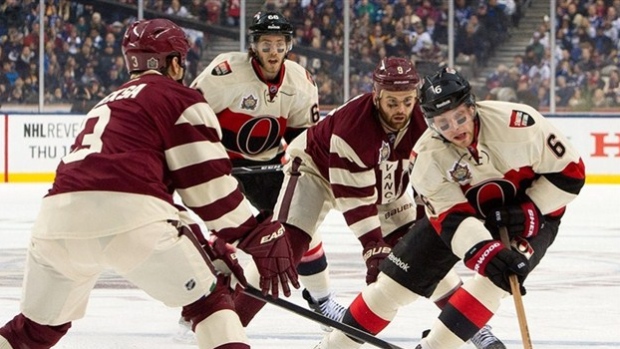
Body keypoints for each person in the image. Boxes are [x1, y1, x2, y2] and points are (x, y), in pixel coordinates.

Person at [0, 18, 299, 349]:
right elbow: (206, 185)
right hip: (131, 217)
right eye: (180, 61)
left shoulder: (106, 102)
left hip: (54, 222)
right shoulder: (177, 97)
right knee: (210, 304)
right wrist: (256, 232)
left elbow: (110, 180)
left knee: (31, 333)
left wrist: (200, 242)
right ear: (173, 62)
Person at [234, 57, 506, 348]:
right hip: (317, 171)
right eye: (391, 102)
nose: (400, 110)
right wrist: (372, 247)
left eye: (407, 101)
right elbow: (355, 198)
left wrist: (420, 229)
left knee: (422, 252)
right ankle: (229, 321)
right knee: (285, 248)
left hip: (384, 180)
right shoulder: (354, 128)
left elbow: (428, 181)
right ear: (376, 96)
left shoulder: (424, 123)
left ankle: (473, 329)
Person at [314, 67, 585, 349]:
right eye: (443, 124)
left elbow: (571, 173)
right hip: (460, 220)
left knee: (497, 280)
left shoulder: (520, 124)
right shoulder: (426, 157)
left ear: (472, 107)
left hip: (534, 215)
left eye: (460, 117)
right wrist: (485, 251)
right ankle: (333, 346)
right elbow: (451, 219)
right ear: (430, 123)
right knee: (391, 287)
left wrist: (530, 211)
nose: (455, 129)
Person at [170, 10, 326, 342]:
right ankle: (208, 301)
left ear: (289, 46)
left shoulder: (300, 81)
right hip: (224, 166)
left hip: (269, 166)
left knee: (300, 226)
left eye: (279, 44)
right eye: (266, 43)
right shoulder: (225, 72)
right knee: (225, 237)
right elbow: (191, 115)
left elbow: (303, 141)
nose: (273, 51)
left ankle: (321, 299)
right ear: (253, 45)